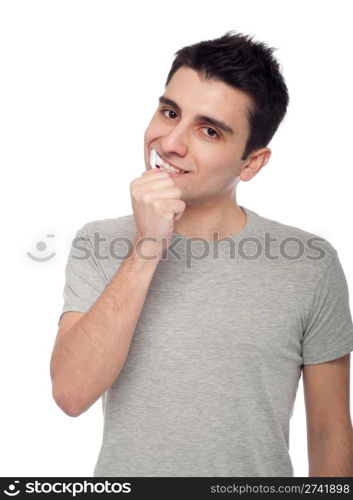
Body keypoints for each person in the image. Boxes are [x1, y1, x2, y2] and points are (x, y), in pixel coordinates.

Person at [50, 30, 353, 477]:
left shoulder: (310, 263)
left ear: (252, 163)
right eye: (169, 112)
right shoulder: (100, 243)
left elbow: (329, 431)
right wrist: (148, 244)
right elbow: (71, 394)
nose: (170, 142)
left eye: (208, 130)